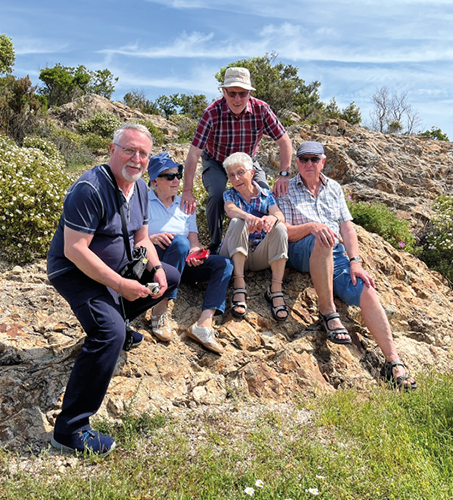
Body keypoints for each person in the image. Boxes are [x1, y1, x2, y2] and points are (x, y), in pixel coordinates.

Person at [46, 123, 181, 455]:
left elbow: (141, 238)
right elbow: (75, 249)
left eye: (143, 154)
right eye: (129, 150)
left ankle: (119, 320)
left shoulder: (140, 191)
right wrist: (120, 284)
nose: (136, 159)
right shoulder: (89, 190)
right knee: (109, 333)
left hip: (117, 269)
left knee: (172, 278)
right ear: (112, 150)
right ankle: (70, 429)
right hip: (74, 271)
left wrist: (157, 269)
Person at [277, 141, 417, 390]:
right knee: (322, 237)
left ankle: (393, 362)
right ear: (296, 162)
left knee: (366, 288)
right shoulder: (285, 188)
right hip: (301, 247)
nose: (309, 163)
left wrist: (355, 261)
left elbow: (346, 227)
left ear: (323, 161)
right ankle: (328, 311)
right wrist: (312, 227)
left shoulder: (334, 188)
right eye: (303, 159)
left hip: (334, 251)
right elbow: (284, 231)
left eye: (314, 159)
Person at [179, 67, 293, 254]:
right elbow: (193, 154)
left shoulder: (261, 109)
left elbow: (284, 141)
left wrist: (284, 174)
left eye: (243, 93)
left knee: (263, 191)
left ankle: (262, 241)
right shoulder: (212, 113)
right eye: (232, 93)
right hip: (217, 160)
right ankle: (216, 244)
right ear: (223, 92)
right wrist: (187, 191)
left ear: (250, 93)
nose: (237, 99)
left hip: (247, 160)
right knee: (216, 195)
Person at [146, 152, 232, 354]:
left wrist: (196, 251)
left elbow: (193, 240)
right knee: (179, 241)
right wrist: (150, 239)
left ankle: (204, 324)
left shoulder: (186, 204)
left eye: (178, 174)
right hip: (153, 261)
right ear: (154, 181)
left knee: (224, 264)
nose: (176, 180)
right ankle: (159, 309)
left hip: (182, 262)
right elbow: (129, 237)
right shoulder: (142, 201)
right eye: (169, 176)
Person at [219, 152, 289, 321]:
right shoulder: (230, 194)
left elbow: (279, 215)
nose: (236, 179)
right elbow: (230, 209)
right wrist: (247, 216)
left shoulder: (265, 195)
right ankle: (239, 285)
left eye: (240, 172)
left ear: (251, 173)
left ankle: (276, 290)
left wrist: (272, 218)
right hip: (232, 251)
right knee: (237, 221)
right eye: (232, 175)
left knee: (280, 228)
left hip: (258, 254)